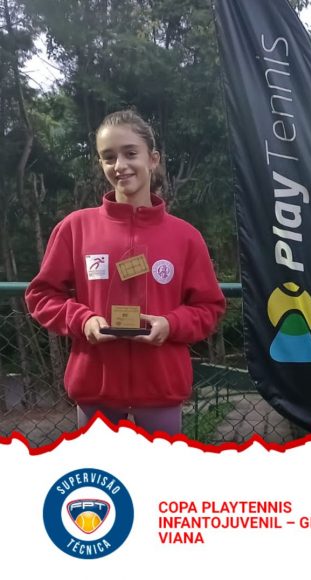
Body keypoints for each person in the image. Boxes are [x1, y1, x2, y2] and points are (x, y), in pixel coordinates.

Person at [25, 110, 226, 436]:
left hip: (161, 391)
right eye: (109, 157)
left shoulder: (186, 237)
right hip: (96, 390)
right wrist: (83, 320)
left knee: (158, 471)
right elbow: (42, 295)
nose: (120, 165)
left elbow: (209, 308)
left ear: (153, 159)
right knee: (102, 471)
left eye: (130, 153)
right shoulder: (75, 228)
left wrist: (170, 324)